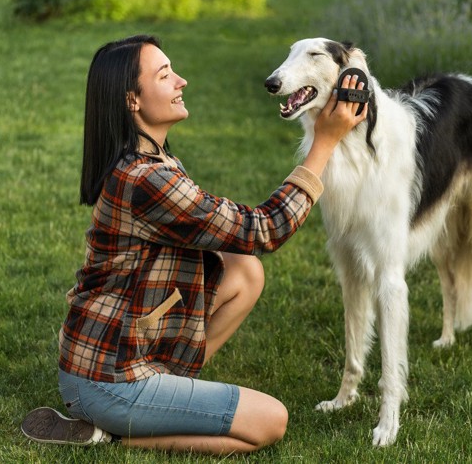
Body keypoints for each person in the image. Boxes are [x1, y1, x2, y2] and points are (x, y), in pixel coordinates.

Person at [21, 34, 367, 455]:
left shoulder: (152, 159)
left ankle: (162, 395)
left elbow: (236, 241)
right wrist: (325, 143)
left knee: (244, 269)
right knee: (270, 421)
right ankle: (117, 433)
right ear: (133, 100)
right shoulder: (147, 180)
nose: (181, 81)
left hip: (116, 355)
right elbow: (266, 229)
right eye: (165, 75)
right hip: (107, 379)